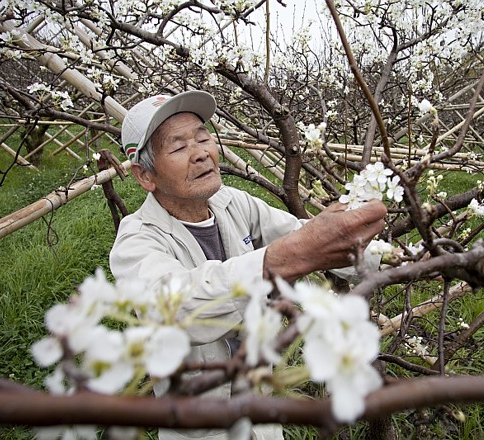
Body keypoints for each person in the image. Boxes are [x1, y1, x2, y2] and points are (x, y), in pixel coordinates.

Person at [109, 90, 386, 439]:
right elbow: (174, 308)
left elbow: (305, 236)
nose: (201, 154)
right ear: (145, 176)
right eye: (179, 147)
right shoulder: (136, 240)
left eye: (203, 137)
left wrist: (388, 253)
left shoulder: (231, 202)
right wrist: (286, 258)